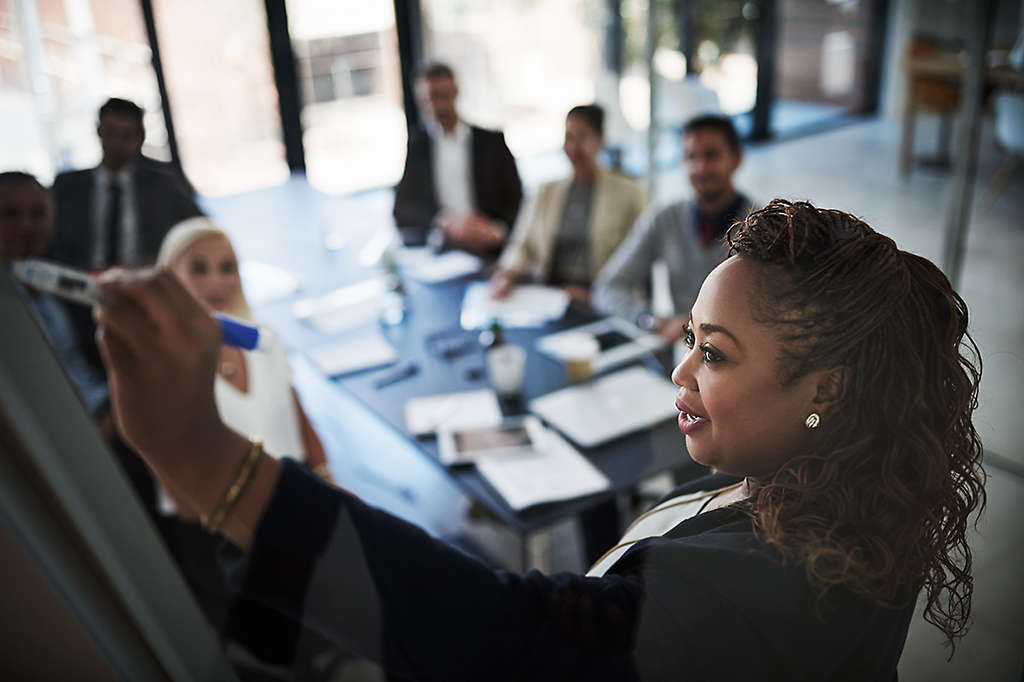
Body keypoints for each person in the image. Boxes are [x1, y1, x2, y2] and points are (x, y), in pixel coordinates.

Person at [94, 199, 986, 680]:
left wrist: (210, 463)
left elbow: (507, 643)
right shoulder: (856, 495)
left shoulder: (771, 592)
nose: (680, 375)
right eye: (686, 341)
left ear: (823, 388)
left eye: (712, 354)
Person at [155, 217, 330, 494]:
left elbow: (296, 410)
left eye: (227, 268)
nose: (216, 282)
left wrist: (326, 476)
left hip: (298, 491)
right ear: (168, 277)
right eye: (199, 268)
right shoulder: (162, 367)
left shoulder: (262, 338)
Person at [593, 114, 755, 341]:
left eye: (712, 155)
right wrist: (649, 320)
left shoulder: (761, 227)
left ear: (736, 159)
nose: (700, 167)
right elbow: (608, 287)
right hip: (681, 352)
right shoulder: (665, 217)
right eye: (691, 157)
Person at [490, 104, 646, 303]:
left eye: (581, 137)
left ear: (600, 140)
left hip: (600, 299)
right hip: (550, 295)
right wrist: (506, 274)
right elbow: (521, 245)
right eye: (568, 138)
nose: (573, 147)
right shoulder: (546, 191)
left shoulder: (629, 192)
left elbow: (637, 262)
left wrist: (594, 296)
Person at [0, 171, 109, 424]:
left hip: (107, 410)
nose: (26, 225)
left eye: (37, 214)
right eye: (9, 214)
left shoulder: (66, 276)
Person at [50, 97, 202, 271]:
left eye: (126, 135)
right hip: (81, 283)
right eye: (111, 133)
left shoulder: (164, 184)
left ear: (140, 137)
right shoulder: (68, 186)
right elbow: (52, 244)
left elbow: (199, 229)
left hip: (146, 282)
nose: (117, 143)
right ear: (99, 132)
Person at [392, 62, 523, 257]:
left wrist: (498, 230)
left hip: (491, 247)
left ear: (455, 92)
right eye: (430, 99)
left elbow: (518, 201)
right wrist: (444, 223)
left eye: (443, 96)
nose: (438, 107)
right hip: (444, 250)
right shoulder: (418, 146)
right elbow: (404, 209)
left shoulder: (491, 142)